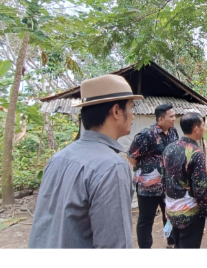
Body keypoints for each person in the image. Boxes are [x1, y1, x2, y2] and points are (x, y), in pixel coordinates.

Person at [28, 74, 143, 248]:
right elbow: (113, 246)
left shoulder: (58, 158)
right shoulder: (112, 167)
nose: (133, 115)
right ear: (116, 111)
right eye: (131, 108)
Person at [163, 112, 207, 248]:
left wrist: (167, 205)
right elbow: (200, 189)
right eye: (203, 125)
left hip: (171, 210)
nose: (205, 128)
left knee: (178, 245)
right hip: (189, 214)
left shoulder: (168, 149)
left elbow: (165, 180)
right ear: (196, 129)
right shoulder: (196, 153)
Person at [127, 104, 178, 248]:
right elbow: (131, 156)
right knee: (146, 219)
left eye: (174, 116)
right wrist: (146, 170)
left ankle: (171, 244)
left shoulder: (173, 133)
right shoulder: (146, 135)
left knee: (170, 215)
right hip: (148, 188)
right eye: (171, 116)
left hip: (169, 185)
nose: (174, 119)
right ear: (160, 119)